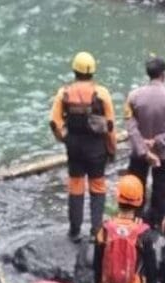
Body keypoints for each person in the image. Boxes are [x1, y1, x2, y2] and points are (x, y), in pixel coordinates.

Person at [49, 51, 116, 242]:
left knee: (76, 186)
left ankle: (74, 230)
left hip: (75, 147)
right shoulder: (102, 93)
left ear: (74, 70)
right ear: (93, 71)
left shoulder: (64, 94)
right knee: (98, 186)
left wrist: (64, 139)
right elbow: (110, 126)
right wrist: (111, 149)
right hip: (96, 148)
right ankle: (96, 230)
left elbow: (54, 122)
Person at [123, 55, 165, 227]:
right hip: (163, 153)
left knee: (135, 189)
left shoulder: (133, 96)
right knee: (162, 192)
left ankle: (134, 224)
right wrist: (157, 141)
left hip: (138, 153)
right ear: (164, 74)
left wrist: (143, 148)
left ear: (148, 74)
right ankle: (159, 226)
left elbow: (131, 127)